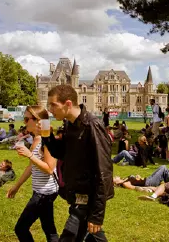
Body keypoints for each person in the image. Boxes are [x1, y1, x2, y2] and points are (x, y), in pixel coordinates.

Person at [43, 84, 113, 242]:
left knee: (69, 237)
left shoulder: (92, 125)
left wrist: (96, 215)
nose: (50, 110)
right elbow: (62, 153)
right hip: (77, 195)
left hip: (89, 198)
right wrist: (47, 137)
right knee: (92, 237)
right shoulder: (69, 124)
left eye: (53, 105)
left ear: (68, 104)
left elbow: (104, 172)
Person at [7, 105, 59, 242]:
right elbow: (31, 167)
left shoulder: (47, 140)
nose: (24, 122)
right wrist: (16, 186)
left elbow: (49, 168)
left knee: (21, 228)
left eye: (26, 119)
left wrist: (30, 155)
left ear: (37, 121)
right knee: (49, 229)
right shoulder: (36, 139)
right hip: (42, 192)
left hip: (44, 193)